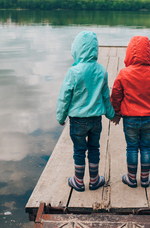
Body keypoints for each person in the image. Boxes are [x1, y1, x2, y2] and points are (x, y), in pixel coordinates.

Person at [56, 31, 117, 192]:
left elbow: (64, 97)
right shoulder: (101, 71)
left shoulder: (73, 72)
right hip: (96, 120)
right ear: (95, 50)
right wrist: (111, 114)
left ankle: (78, 181)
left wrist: (61, 116)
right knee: (94, 149)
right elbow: (106, 96)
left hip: (77, 121)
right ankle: (95, 180)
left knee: (79, 150)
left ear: (76, 50)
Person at [111, 36, 150, 188]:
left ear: (129, 53)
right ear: (149, 53)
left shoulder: (124, 73)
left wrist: (116, 113)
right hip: (149, 118)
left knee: (132, 148)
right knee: (146, 147)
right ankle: (145, 179)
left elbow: (116, 95)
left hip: (130, 119)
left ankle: (131, 178)